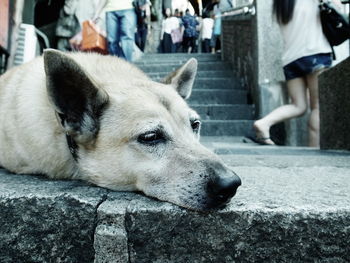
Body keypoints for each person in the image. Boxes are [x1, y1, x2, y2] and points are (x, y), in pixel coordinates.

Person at [251, 0, 341, 147]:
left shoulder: (281, 4)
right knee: (318, 107)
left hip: (291, 59)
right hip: (315, 53)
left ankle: (264, 123)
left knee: (298, 106)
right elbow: (336, 6)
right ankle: (314, 150)